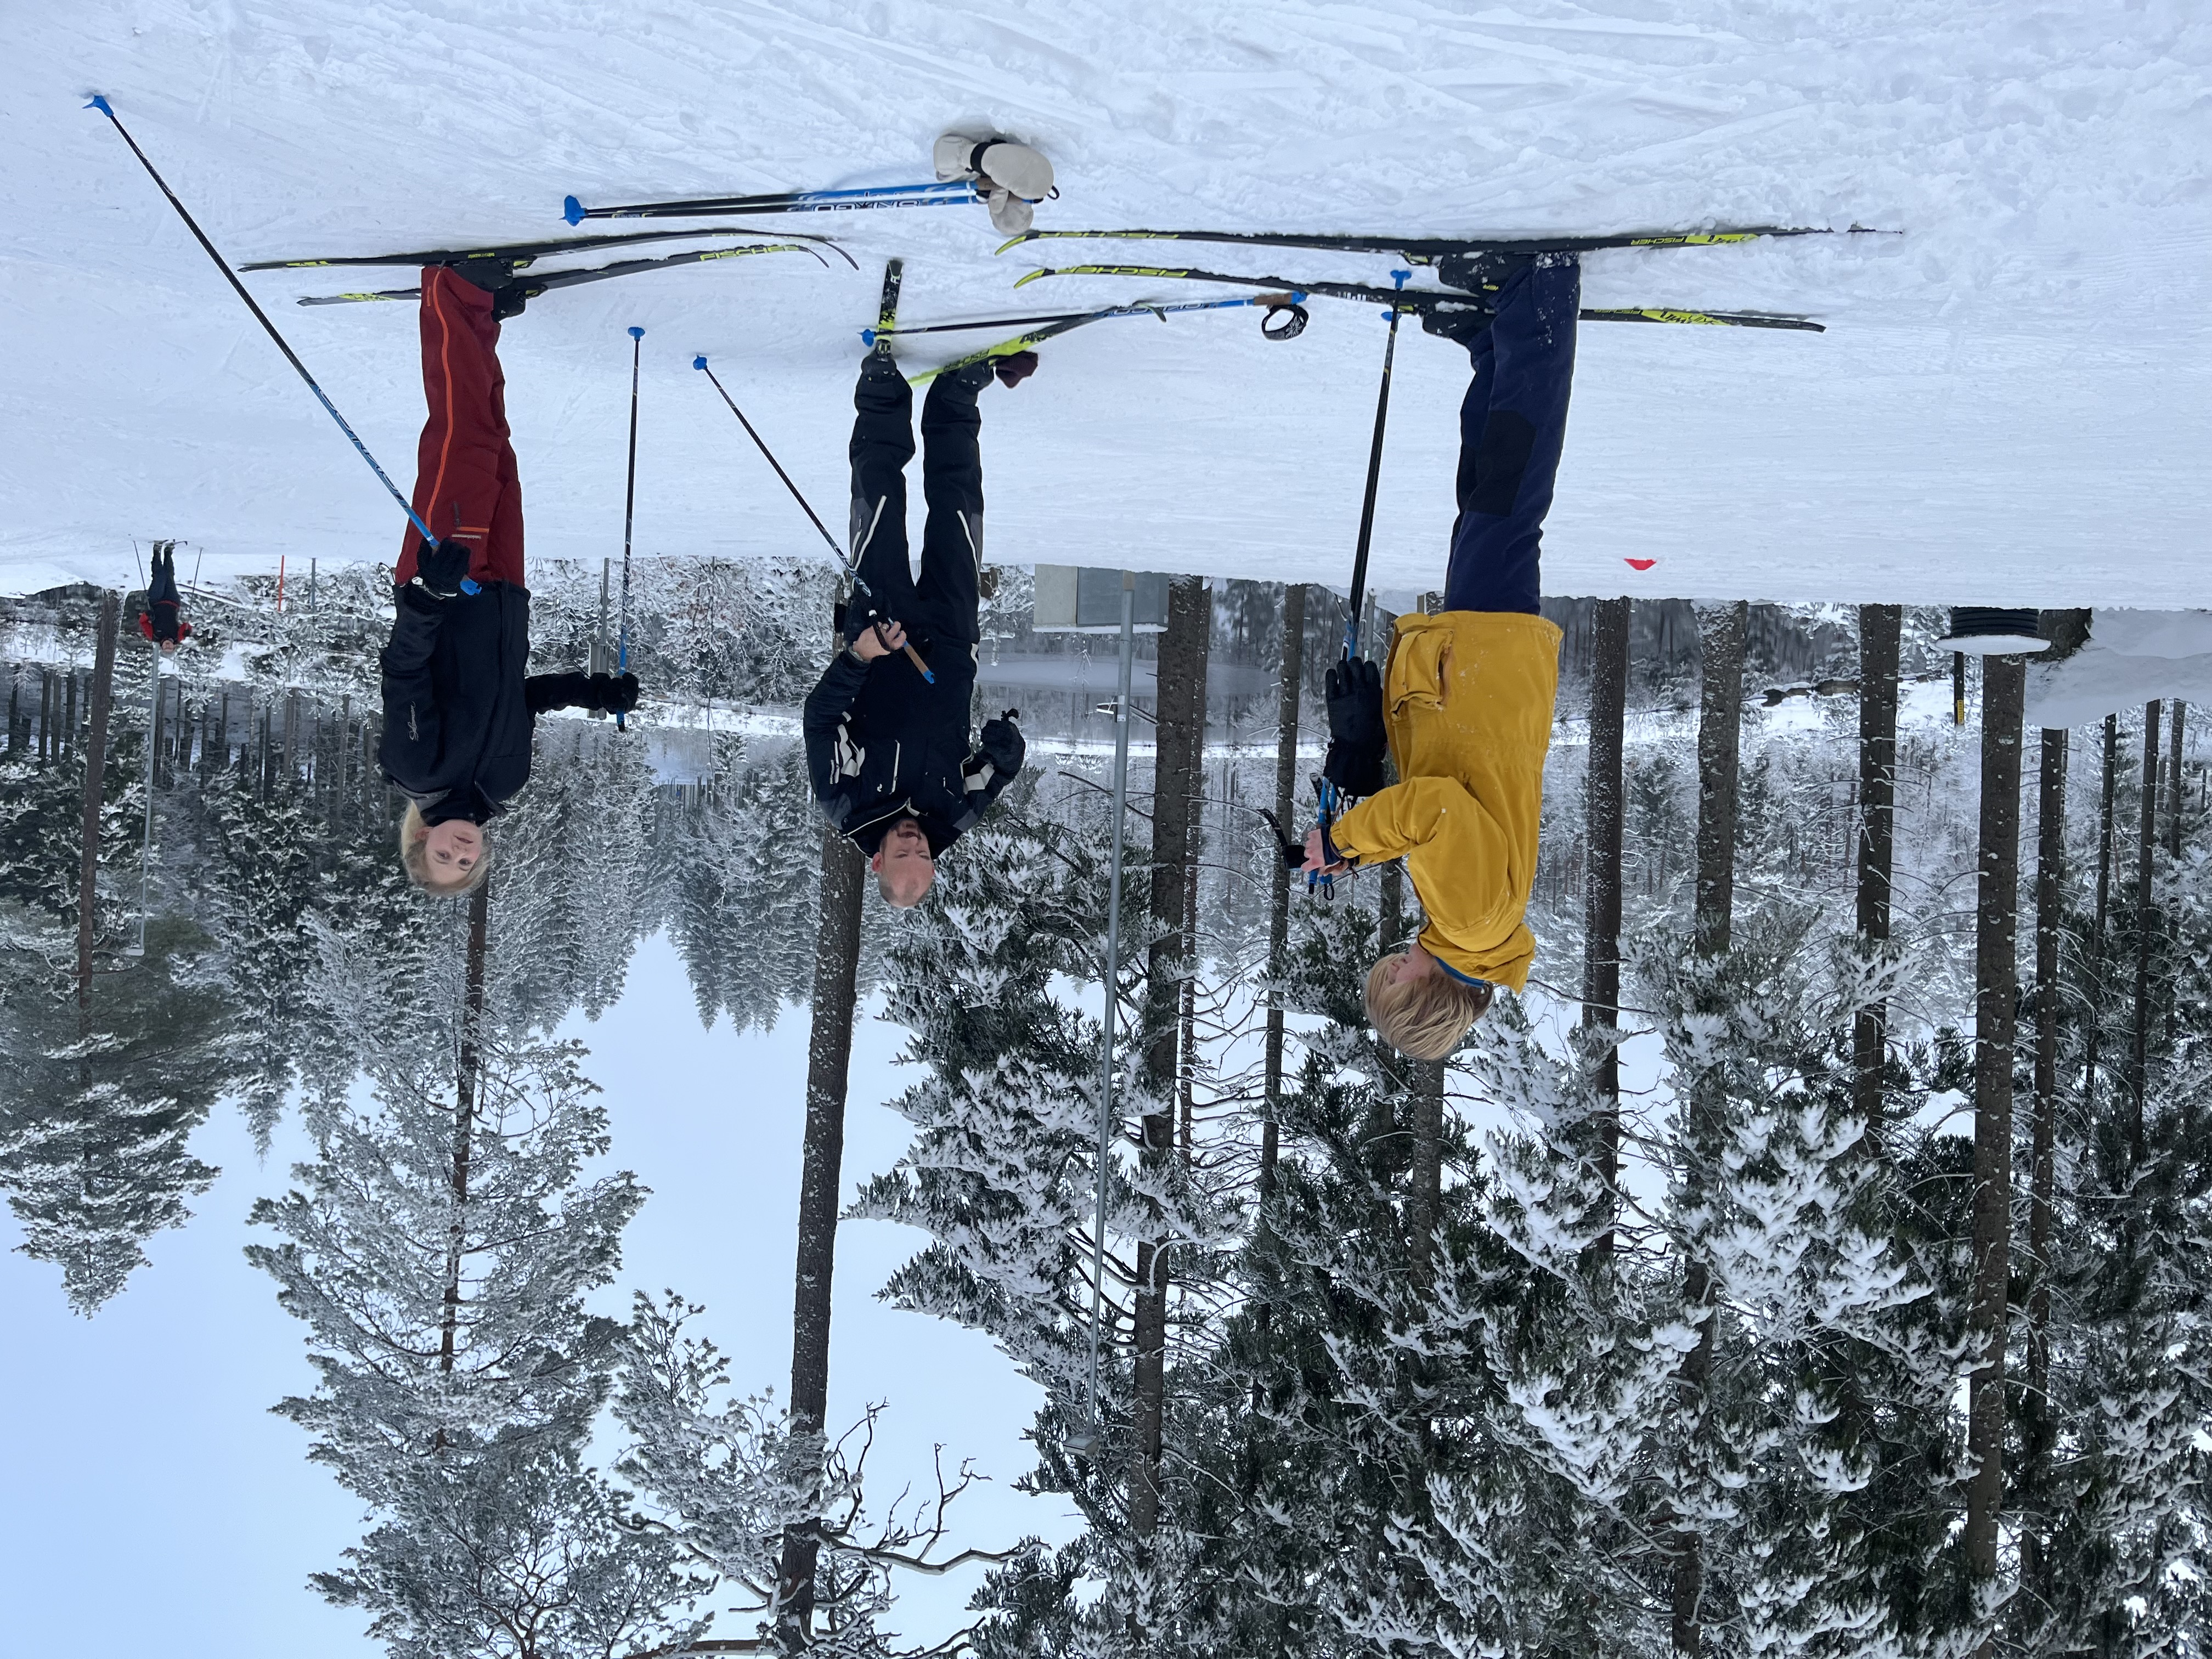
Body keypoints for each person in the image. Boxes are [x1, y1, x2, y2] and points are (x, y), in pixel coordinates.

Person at [1302, 256, 1577, 1061]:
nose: (1397, 956)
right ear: (1423, 989)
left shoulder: (1477, 925)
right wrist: (1350, 841)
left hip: (1479, 677)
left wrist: (1359, 773)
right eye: (1397, 972)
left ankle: (1494, 345)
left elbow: (1436, 811)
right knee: (1510, 494)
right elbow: (1437, 812)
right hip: (1486, 673)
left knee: (1486, 498)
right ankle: (1540, 307)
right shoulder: (1467, 920)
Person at [379, 261, 640, 896]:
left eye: (445, 859)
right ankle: (483, 319)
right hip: (504, 594)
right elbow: (525, 699)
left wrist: (428, 597)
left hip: (443, 585)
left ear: (422, 840)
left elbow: (405, 672)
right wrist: (594, 694)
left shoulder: (417, 769)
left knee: (459, 440)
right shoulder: (504, 784)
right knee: (495, 450)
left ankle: (452, 292)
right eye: (467, 865)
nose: (460, 853)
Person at [803, 343, 1031, 908]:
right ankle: (957, 395)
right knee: (958, 505)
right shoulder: (954, 817)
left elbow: (820, 716)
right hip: (953, 639)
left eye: (905, 852)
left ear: (878, 861)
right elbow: (995, 774)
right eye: (924, 855)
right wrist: (1007, 753)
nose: (916, 842)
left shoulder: (845, 801)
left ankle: (881, 389)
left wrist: (861, 654)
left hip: (882, 629)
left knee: (879, 494)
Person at [139, 540, 193, 649]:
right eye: (170, 648)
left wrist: (147, 615)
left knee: (160, 578)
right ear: (174, 646)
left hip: (156, 601)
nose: (168, 646)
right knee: (169, 576)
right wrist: (187, 631)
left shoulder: (154, 636)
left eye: (165, 648)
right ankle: (168, 552)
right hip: (172, 602)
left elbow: (143, 623)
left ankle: (157, 551)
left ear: (162, 647)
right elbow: (187, 626)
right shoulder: (178, 637)